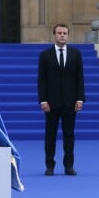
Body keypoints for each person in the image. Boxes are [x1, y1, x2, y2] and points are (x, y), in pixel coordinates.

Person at [37, 23, 85, 176]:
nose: (62, 35)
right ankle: (49, 165)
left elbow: (80, 79)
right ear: (54, 35)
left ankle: (69, 166)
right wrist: (43, 100)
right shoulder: (45, 55)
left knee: (69, 135)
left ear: (68, 35)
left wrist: (80, 99)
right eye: (59, 33)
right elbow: (42, 80)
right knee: (50, 135)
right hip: (51, 103)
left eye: (65, 33)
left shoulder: (75, 54)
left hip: (70, 102)